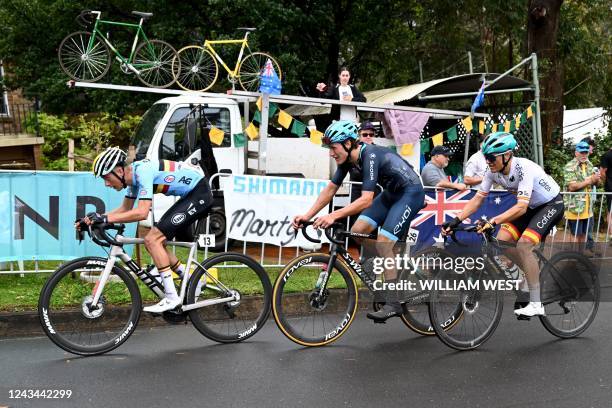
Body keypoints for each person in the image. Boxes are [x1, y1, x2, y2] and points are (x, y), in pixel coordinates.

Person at [292, 120, 424, 322]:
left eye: (333, 148)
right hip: (391, 194)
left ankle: (393, 302)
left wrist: (332, 216)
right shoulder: (346, 161)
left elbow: (366, 199)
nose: (331, 153)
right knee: (357, 231)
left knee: (383, 243)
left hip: (410, 193)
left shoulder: (369, 155)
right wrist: (307, 216)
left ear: (347, 143)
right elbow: (330, 189)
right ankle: (386, 260)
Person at [77, 147, 213, 313]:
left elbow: (141, 213)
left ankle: (171, 297)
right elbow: (124, 209)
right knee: (155, 241)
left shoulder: (142, 172)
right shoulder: (132, 179)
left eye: (106, 177)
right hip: (190, 194)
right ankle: (193, 280)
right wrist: (92, 219)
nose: (106, 183)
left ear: (119, 170)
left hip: (199, 194)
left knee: (152, 239)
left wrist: (104, 219)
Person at [442, 132, 563, 317]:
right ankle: (530, 273)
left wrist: (493, 221)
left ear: (507, 156)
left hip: (550, 204)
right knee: (501, 240)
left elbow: (521, 207)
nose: (488, 161)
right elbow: (477, 199)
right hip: (531, 207)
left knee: (523, 245)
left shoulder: (523, 168)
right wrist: (456, 220)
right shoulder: (492, 172)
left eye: (491, 157)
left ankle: (537, 303)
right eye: (486, 157)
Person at [563, 141, 600, 256]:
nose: (584, 155)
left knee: (584, 233)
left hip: (587, 208)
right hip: (574, 207)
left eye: (586, 152)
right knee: (575, 234)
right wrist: (590, 180)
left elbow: (596, 183)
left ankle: (580, 256)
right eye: (581, 152)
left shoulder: (589, 164)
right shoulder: (570, 166)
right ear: (576, 153)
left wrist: (597, 179)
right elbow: (572, 186)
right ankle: (573, 257)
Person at [599, 145, 612, 243]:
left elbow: (602, 172)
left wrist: (605, 182)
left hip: (610, 187)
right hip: (610, 186)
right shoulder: (607, 155)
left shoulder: (606, 155)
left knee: (610, 211)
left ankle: (611, 236)